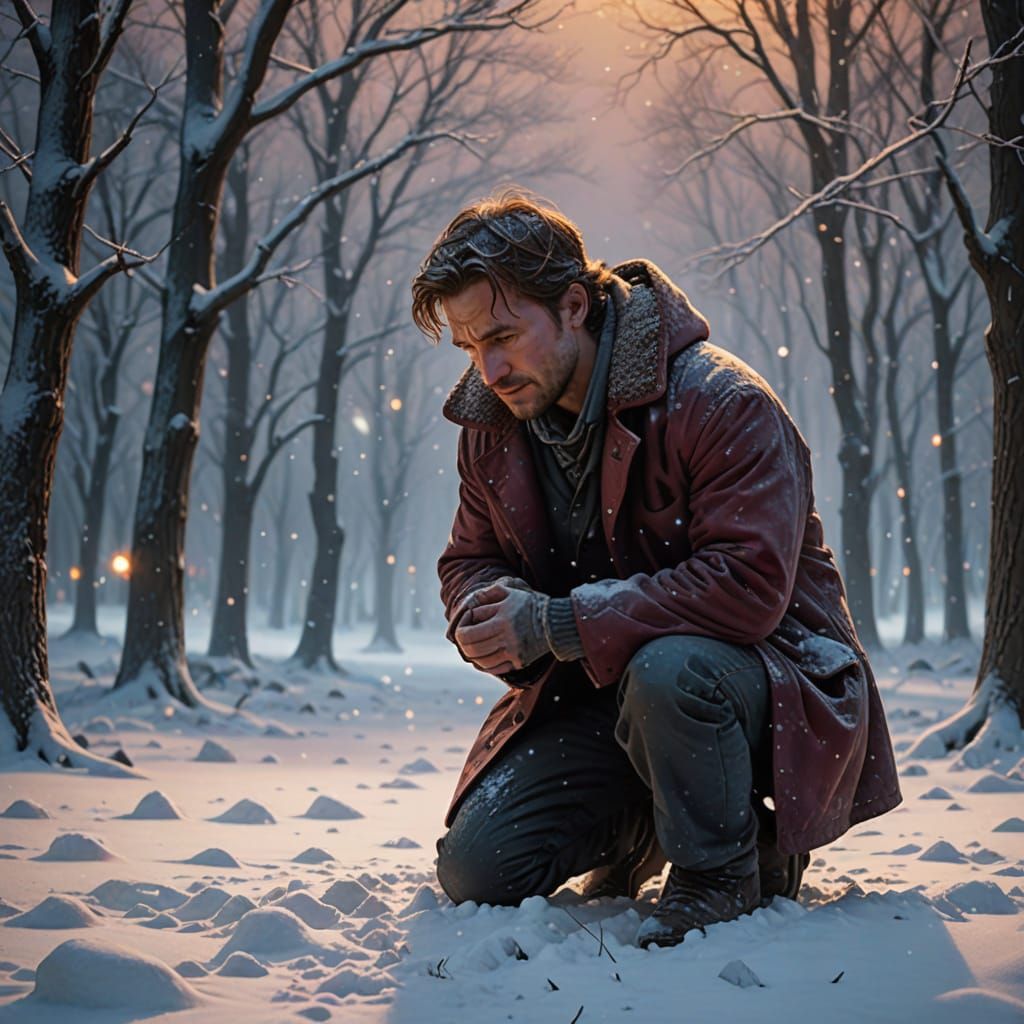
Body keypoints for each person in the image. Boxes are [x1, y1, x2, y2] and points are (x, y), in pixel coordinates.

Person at [410, 191, 901, 948]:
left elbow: (747, 590)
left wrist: (551, 623)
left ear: (574, 304)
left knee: (672, 669)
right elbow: (469, 558)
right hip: (602, 699)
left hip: (771, 684)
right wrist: (484, 608)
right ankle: (656, 831)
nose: (490, 368)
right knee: (478, 872)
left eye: (504, 335)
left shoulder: (722, 401)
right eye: (471, 346)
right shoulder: (493, 423)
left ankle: (725, 872)